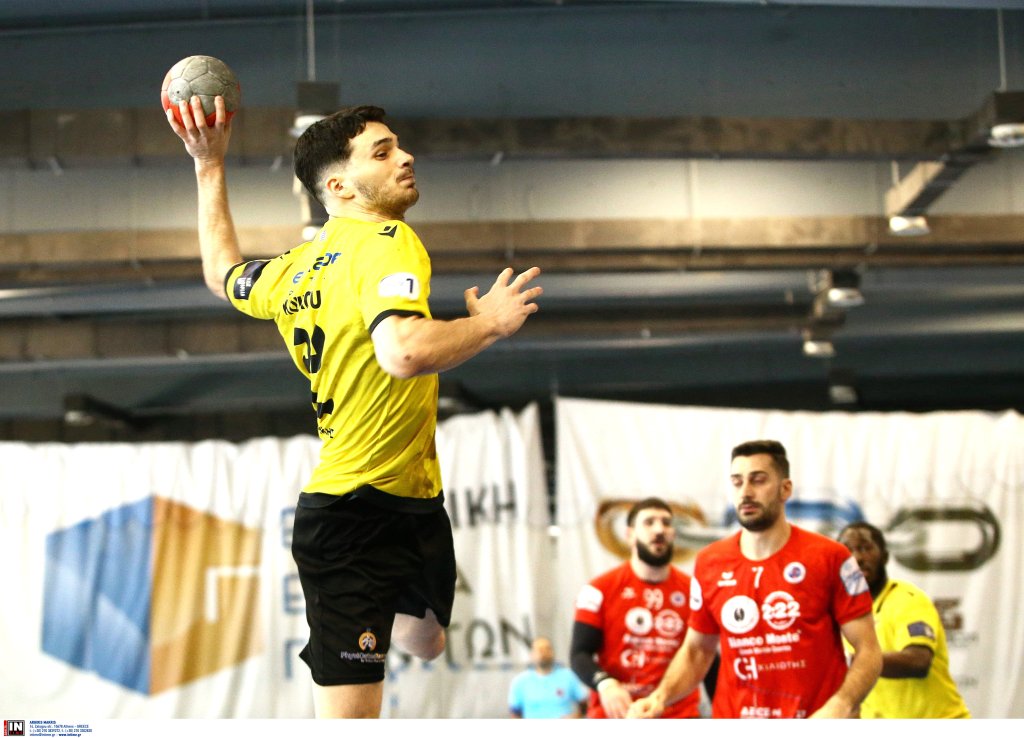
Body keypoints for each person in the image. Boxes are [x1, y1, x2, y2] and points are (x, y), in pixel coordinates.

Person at [166, 96, 542, 718]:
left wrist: (209, 166)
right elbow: (404, 350)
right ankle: (345, 614)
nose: (406, 156)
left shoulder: (292, 269)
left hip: (414, 499)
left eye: (398, 146)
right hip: (351, 516)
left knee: (426, 640)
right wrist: (490, 325)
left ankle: (359, 612)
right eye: (383, 152)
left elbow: (222, 272)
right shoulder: (387, 240)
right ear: (339, 186)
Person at [628, 440, 882, 719]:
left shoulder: (830, 556)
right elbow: (697, 651)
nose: (746, 492)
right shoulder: (710, 562)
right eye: (737, 482)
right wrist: (659, 697)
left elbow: (868, 650)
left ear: (785, 489)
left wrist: (840, 705)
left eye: (758, 480)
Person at [570, 497, 715, 718]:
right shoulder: (599, 589)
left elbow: (705, 655)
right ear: (630, 535)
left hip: (678, 715)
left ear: (674, 534)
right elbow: (580, 653)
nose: (659, 529)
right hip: (618, 715)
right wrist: (605, 683)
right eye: (649, 522)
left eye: (666, 523)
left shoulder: (694, 590)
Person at [838, 521, 971, 718]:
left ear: (884, 556)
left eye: (865, 548)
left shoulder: (907, 599)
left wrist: (851, 662)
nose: (857, 557)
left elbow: (918, 661)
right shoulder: (843, 613)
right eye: (848, 551)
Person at [508, 636, 589, 719]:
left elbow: (585, 704)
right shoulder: (520, 681)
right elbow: (515, 713)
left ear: (553, 652)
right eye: (540, 650)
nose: (544, 653)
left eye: (547, 649)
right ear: (531, 655)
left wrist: (576, 716)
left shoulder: (568, 676)